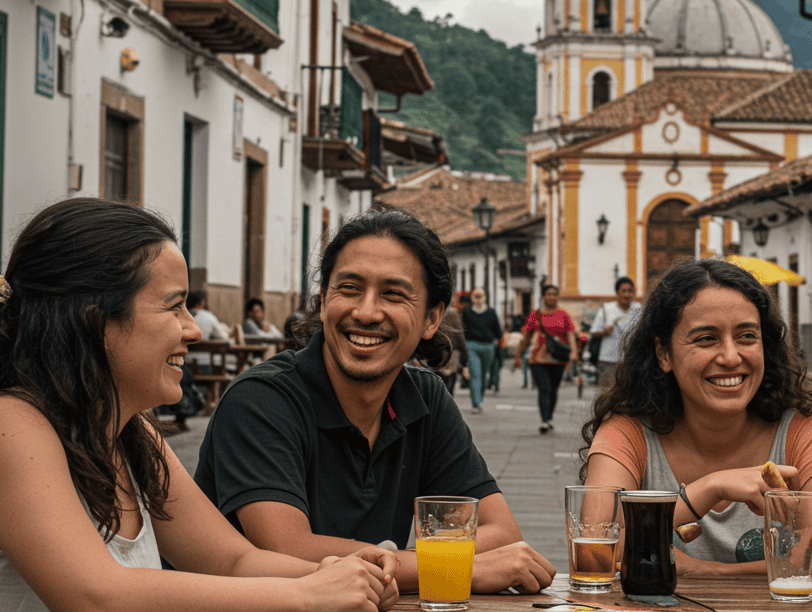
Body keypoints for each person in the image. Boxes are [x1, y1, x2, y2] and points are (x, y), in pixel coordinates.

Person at [0, 198, 395, 612]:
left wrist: (338, 570)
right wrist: (307, 596)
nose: (194, 329)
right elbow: (95, 597)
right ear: (94, 320)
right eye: (174, 306)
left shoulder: (130, 431)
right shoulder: (5, 425)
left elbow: (232, 560)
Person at [195, 207, 555, 595]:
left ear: (432, 318)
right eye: (348, 288)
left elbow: (501, 534)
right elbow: (286, 551)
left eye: (393, 294)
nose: (366, 312)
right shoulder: (261, 400)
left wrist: (418, 565)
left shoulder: (425, 397)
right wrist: (455, 568)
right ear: (321, 302)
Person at [581, 258, 812, 574]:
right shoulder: (628, 429)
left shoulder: (801, 425)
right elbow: (594, 551)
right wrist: (709, 489)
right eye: (706, 339)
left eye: (746, 337)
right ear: (663, 354)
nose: (730, 357)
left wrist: (709, 573)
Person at [513, 284, 577, 434]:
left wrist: (573, 352)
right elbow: (526, 337)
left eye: (554, 294)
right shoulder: (535, 315)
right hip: (538, 358)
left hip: (558, 358)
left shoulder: (564, 315)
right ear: (543, 297)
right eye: (548, 294)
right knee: (545, 388)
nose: (551, 297)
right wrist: (518, 355)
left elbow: (570, 334)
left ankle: (549, 417)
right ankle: (544, 420)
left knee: (554, 389)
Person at [590, 276, 641, 387]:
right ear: (617, 292)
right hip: (608, 360)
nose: (626, 295)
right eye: (623, 291)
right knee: (607, 395)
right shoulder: (607, 308)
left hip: (630, 361)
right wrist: (605, 332)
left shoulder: (638, 309)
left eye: (630, 291)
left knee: (628, 395)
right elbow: (594, 332)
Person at [461, 287, 503, 414]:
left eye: (481, 296)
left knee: (484, 375)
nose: (478, 298)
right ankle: (476, 403)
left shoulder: (491, 312)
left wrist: (499, 343)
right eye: (476, 296)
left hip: (488, 346)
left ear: (485, 297)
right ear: (472, 298)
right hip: (472, 345)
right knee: (475, 374)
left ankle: (480, 396)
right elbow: (462, 330)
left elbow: (498, 331)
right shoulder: (467, 312)